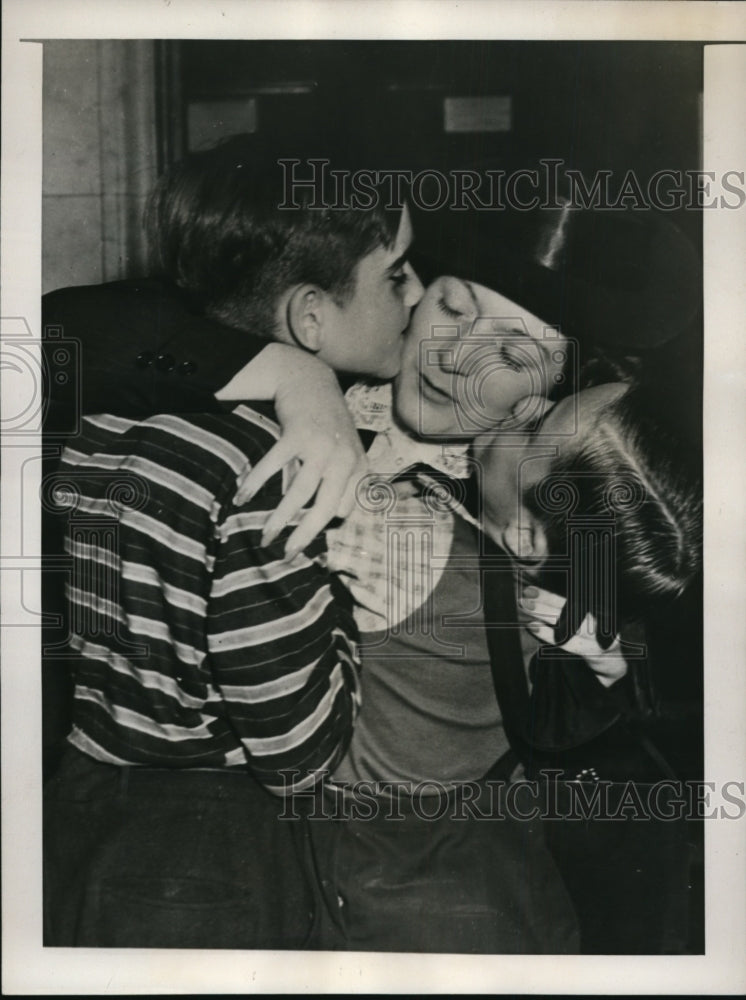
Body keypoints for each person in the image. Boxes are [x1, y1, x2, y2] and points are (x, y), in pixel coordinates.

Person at [42, 138, 425, 948]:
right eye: (396, 275)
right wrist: (354, 620)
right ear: (310, 316)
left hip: (83, 797)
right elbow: (296, 752)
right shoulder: (284, 473)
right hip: (211, 843)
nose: (416, 294)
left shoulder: (108, 416)